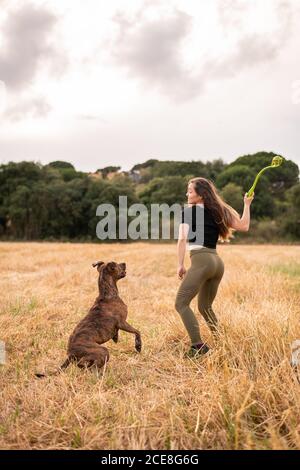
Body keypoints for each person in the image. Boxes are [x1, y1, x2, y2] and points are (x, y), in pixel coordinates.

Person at [175, 177, 255, 357]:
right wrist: (247, 204)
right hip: (217, 262)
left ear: (201, 195)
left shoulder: (189, 212)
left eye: (190, 191)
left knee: (181, 303)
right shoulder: (219, 210)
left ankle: (197, 347)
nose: (187, 194)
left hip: (202, 260)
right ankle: (223, 343)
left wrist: (180, 264)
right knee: (205, 307)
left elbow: (182, 240)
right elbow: (244, 226)